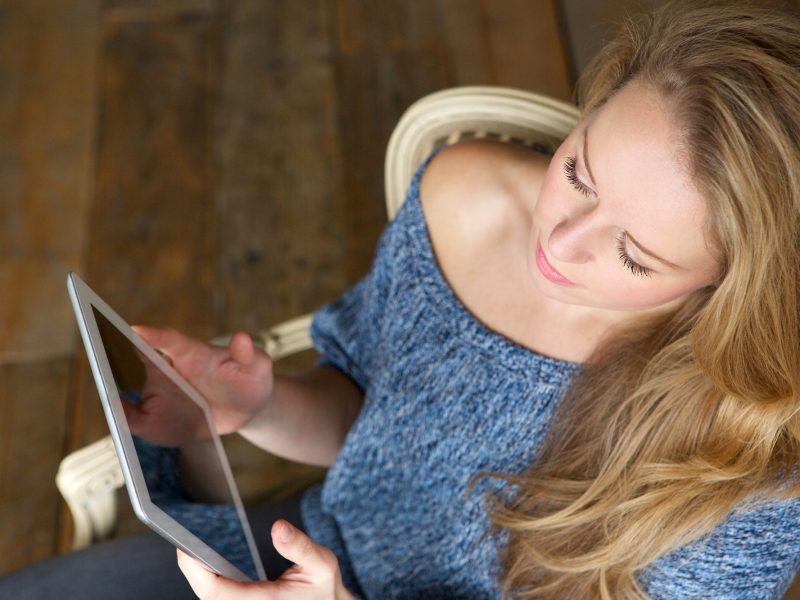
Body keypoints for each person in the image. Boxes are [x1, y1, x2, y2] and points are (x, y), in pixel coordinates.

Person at [4, 1, 800, 598]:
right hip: (289, 558)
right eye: (578, 172)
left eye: (632, 253)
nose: (558, 242)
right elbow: (370, 413)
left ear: (732, 291)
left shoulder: (750, 465)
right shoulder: (465, 201)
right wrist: (258, 406)